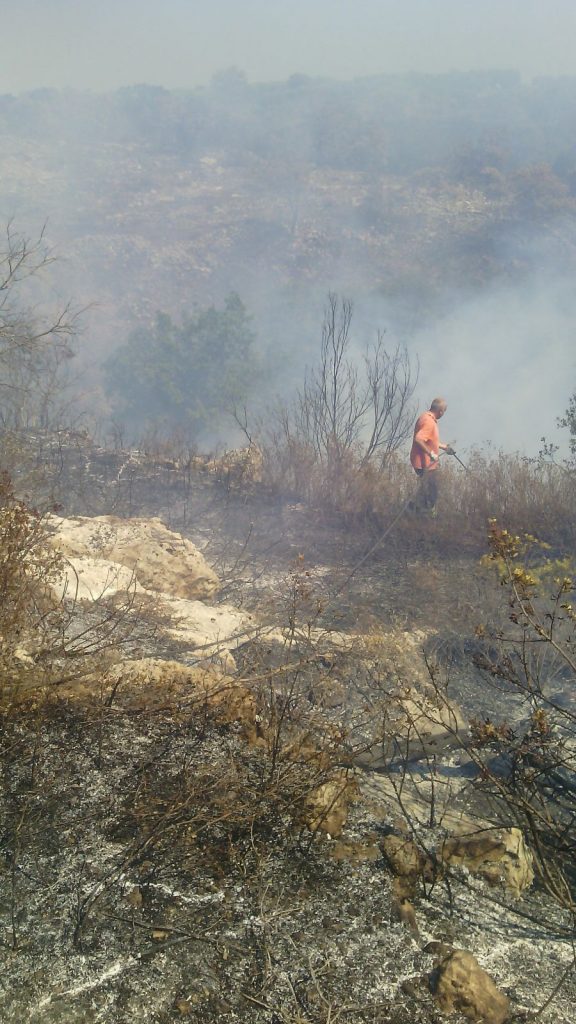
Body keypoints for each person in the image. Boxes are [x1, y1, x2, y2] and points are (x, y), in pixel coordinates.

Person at [409, 397, 454, 515]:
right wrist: (431, 453)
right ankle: (417, 512)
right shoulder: (428, 422)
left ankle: (417, 512)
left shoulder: (426, 418)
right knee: (432, 492)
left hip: (427, 463)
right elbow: (419, 439)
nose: (443, 414)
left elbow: (430, 440)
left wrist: (444, 447)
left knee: (427, 490)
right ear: (440, 411)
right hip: (424, 463)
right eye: (444, 411)